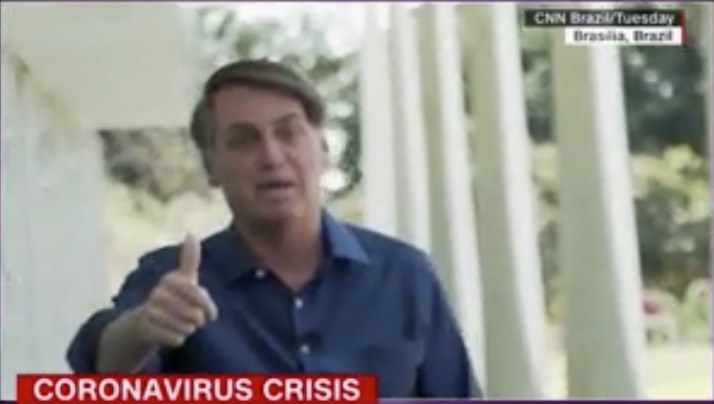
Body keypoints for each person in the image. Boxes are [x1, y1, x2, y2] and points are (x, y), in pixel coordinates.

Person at [66, 60, 482, 398]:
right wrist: (142, 329)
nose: (271, 156)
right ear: (211, 166)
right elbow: (98, 368)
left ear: (323, 150)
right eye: (243, 140)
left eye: (288, 133)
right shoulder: (173, 282)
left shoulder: (404, 275)